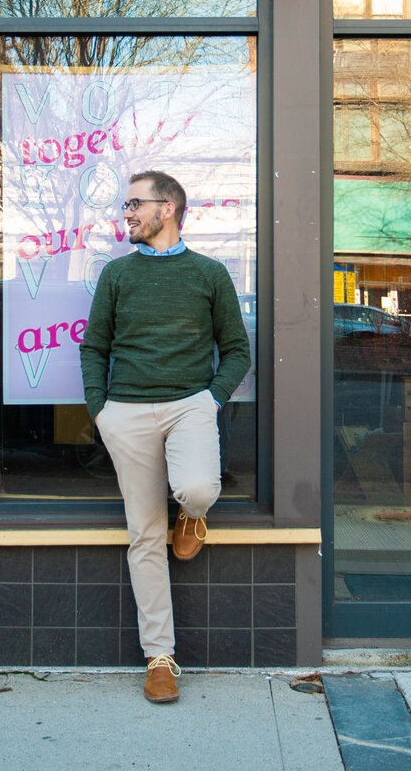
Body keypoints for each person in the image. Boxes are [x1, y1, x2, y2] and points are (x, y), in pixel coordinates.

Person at [79, 171, 251, 704]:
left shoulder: (209, 273)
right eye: (125, 204)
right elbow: (94, 348)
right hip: (125, 413)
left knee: (198, 487)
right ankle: (160, 657)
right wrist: (100, 410)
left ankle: (194, 516)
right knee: (145, 534)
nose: (126, 212)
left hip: (189, 407)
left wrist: (210, 397)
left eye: (135, 203)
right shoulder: (116, 274)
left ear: (168, 208)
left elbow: (237, 349)